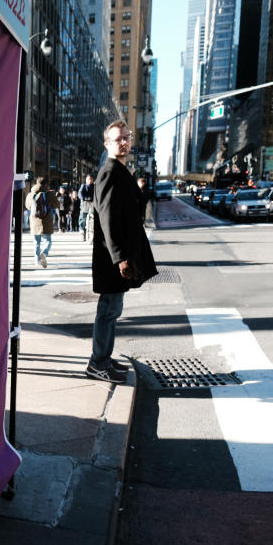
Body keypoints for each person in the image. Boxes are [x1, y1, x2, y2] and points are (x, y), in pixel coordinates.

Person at [85, 120, 158, 384]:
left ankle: (103, 359)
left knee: (112, 311)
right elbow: (107, 219)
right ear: (107, 144)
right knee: (108, 311)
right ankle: (98, 363)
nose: (124, 142)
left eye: (127, 137)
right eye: (118, 139)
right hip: (112, 258)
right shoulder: (108, 172)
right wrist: (120, 258)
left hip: (119, 256)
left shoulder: (119, 170)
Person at [25, 177, 59, 268]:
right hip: (46, 221)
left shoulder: (30, 194)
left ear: (36, 183)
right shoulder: (49, 194)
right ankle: (44, 253)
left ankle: (37, 260)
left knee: (36, 242)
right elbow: (56, 205)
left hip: (34, 221)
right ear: (46, 184)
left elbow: (27, 206)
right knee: (47, 241)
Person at [78, 174, 95, 241]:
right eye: (88, 179)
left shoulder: (95, 186)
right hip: (85, 204)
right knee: (83, 218)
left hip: (93, 204)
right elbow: (80, 193)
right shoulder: (83, 186)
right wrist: (83, 198)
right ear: (86, 180)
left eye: (91, 179)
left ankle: (92, 232)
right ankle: (82, 232)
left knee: (93, 218)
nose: (90, 180)